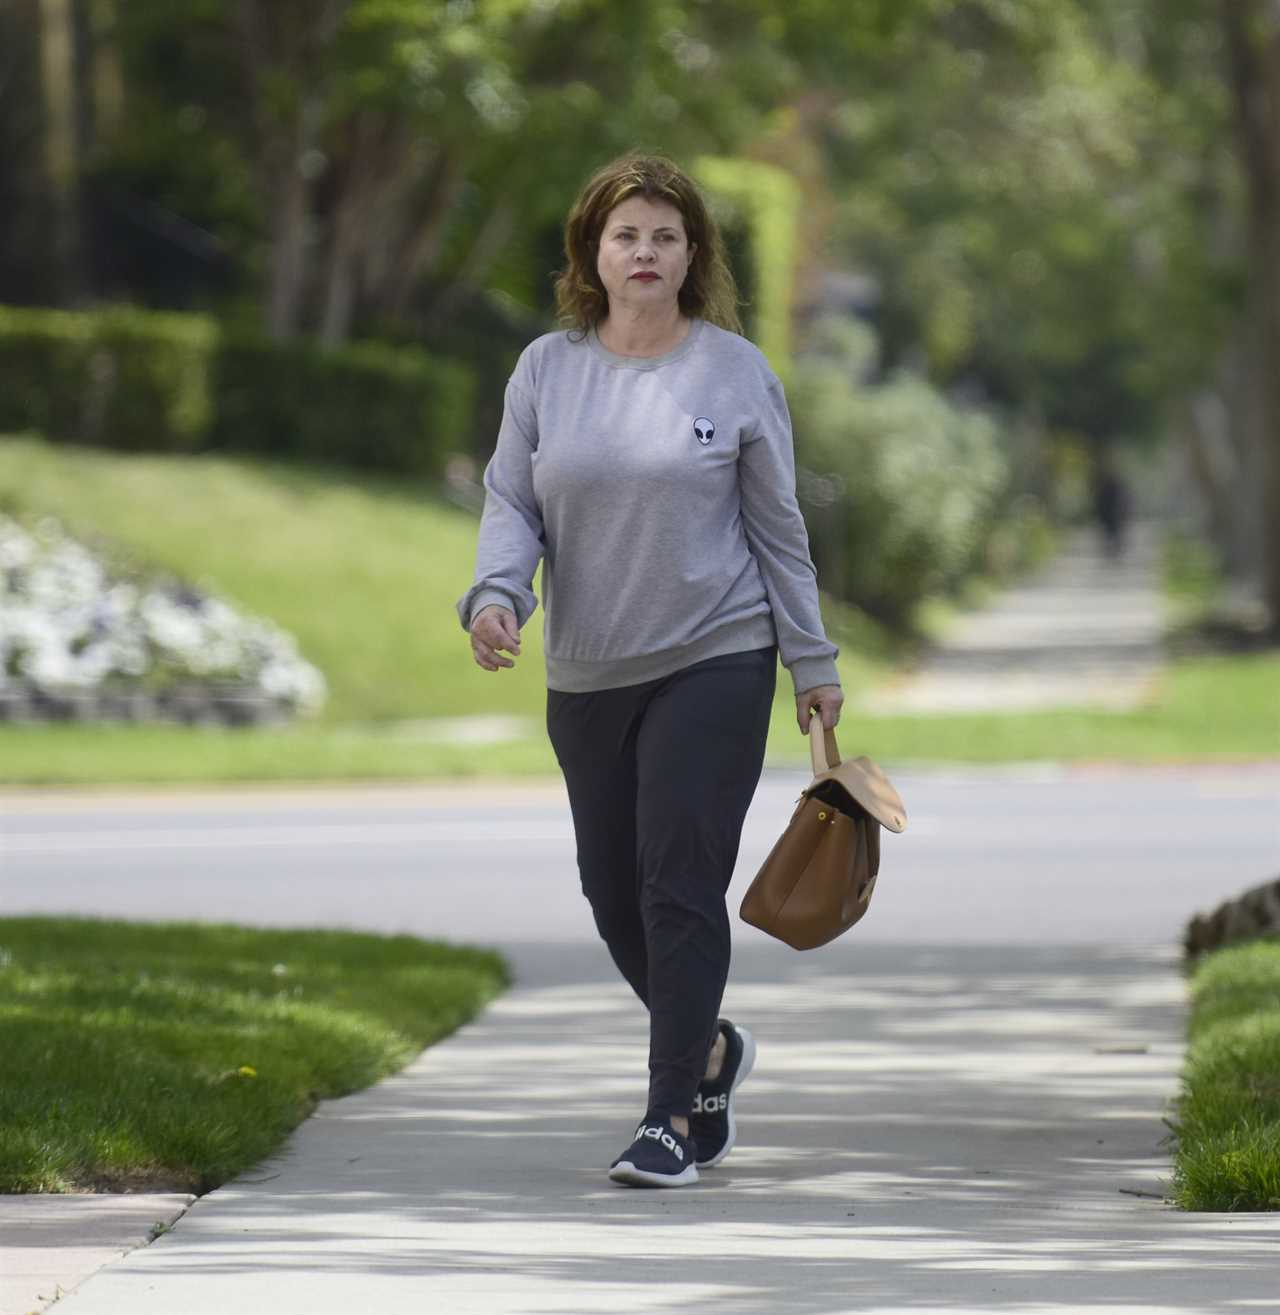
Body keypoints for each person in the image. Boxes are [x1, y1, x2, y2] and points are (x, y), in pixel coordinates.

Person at [456, 152, 844, 1188]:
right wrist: (498, 594)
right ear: (592, 250)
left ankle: (668, 1112)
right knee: (610, 887)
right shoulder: (546, 369)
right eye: (625, 234)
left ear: (690, 256)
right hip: (587, 669)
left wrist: (808, 657)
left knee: (679, 880)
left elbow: (777, 527)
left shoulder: (732, 372)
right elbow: (512, 501)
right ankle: (710, 1046)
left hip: (715, 653)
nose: (643, 251)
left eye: (664, 236)